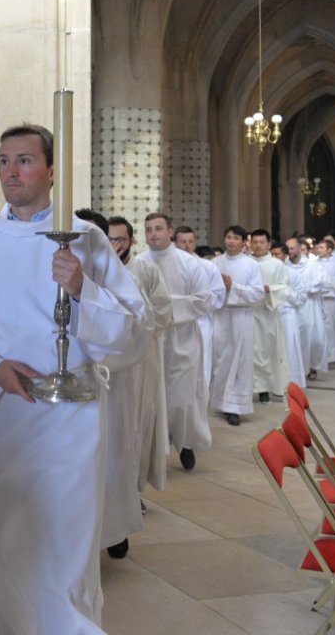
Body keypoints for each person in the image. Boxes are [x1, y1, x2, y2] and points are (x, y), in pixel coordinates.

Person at [0, 123, 144, 634]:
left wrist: (82, 291)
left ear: (52, 170)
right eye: (4, 160)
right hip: (0, 419)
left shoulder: (88, 239)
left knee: (64, 549)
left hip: (70, 421)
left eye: (24, 160)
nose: (11, 171)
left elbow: (135, 334)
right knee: (6, 545)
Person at [106, 214, 172, 558]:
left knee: (138, 425)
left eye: (120, 240)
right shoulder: (98, 270)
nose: (115, 246)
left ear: (131, 241)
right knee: (115, 433)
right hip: (107, 366)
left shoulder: (144, 271)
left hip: (140, 362)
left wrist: (136, 326)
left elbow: (163, 312)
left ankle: (132, 492)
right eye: (109, 240)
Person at [138, 214, 220, 471]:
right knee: (153, 397)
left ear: (170, 231)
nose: (153, 234)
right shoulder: (138, 263)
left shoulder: (189, 263)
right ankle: (156, 450)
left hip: (182, 339)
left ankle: (185, 443)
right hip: (151, 341)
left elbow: (204, 300)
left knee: (182, 398)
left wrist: (164, 307)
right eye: (149, 229)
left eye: (158, 229)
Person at [210, 226, 265, 425]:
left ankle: (235, 407)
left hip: (242, 318)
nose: (231, 241)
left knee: (240, 361)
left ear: (244, 242)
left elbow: (258, 293)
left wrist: (233, 287)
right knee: (221, 360)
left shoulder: (251, 265)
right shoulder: (215, 263)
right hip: (221, 317)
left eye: (236, 238)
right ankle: (222, 402)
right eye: (228, 237)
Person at [174, 225, 226, 390]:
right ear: (175, 243)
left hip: (201, 322)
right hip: (174, 324)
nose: (187, 246)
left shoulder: (207, 266)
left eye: (190, 241)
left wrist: (195, 303)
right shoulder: (168, 265)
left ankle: (200, 401)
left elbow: (218, 295)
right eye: (183, 242)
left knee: (201, 363)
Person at [250, 229, 292, 403]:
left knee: (266, 352)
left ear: (268, 244)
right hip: (247, 313)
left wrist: (270, 289)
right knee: (249, 352)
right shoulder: (246, 262)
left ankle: (265, 388)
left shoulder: (277, 265)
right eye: (255, 242)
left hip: (267, 312)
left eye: (262, 242)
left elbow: (285, 288)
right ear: (250, 243)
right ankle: (248, 388)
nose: (258, 245)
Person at [285, 236, 328, 380]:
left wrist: (301, 288)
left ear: (299, 249)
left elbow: (318, 283)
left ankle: (311, 366)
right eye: (287, 248)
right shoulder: (283, 264)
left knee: (311, 338)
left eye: (292, 248)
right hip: (289, 305)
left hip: (308, 306)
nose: (289, 251)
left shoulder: (312, 265)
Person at [271, 242, 307, 388]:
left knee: (289, 349)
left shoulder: (293, 274)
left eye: (277, 254)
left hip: (287, 314)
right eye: (272, 254)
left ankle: (291, 382)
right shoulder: (265, 271)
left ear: (285, 256)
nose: (274, 257)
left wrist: (284, 291)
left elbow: (301, 297)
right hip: (271, 313)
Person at [316, 239, 335, 362]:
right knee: (318, 326)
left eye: (322, 248)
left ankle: (330, 355)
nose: (319, 250)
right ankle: (319, 354)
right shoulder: (313, 263)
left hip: (330, 298)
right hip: (317, 298)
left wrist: (328, 288)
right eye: (318, 248)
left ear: (329, 250)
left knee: (330, 326)